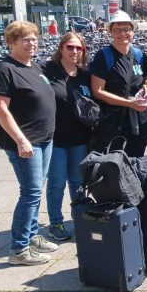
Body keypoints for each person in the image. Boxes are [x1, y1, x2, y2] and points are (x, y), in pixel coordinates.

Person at [0, 21, 59, 265]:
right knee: (30, 193)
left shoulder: (34, 66)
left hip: (44, 139)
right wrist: (21, 140)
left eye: (34, 38)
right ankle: (19, 250)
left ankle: (31, 236)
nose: (32, 43)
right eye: (26, 39)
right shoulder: (5, 70)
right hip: (26, 143)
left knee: (35, 190)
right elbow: (0, 109)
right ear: (11, 43)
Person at [41, 32, 92, 242]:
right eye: (70, 47)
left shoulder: (85, 74)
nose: (74, 51)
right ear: (61, 48)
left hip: (79, 137)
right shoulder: (48, 70)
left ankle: (79, 217)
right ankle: (56, 222)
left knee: (78, 182)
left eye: (79, 48)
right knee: (57, 182)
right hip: (56, 139)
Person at [90, 10, 147, 157]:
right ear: (110, 32)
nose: (122, 34)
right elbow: (97, 91)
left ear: (133, 32)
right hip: (114, 123)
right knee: (115, 163)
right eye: (117, 30)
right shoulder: (104, 56)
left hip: (139, 120)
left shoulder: (139, 55)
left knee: (137, 160)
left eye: (126, 29)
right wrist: (129, 103)